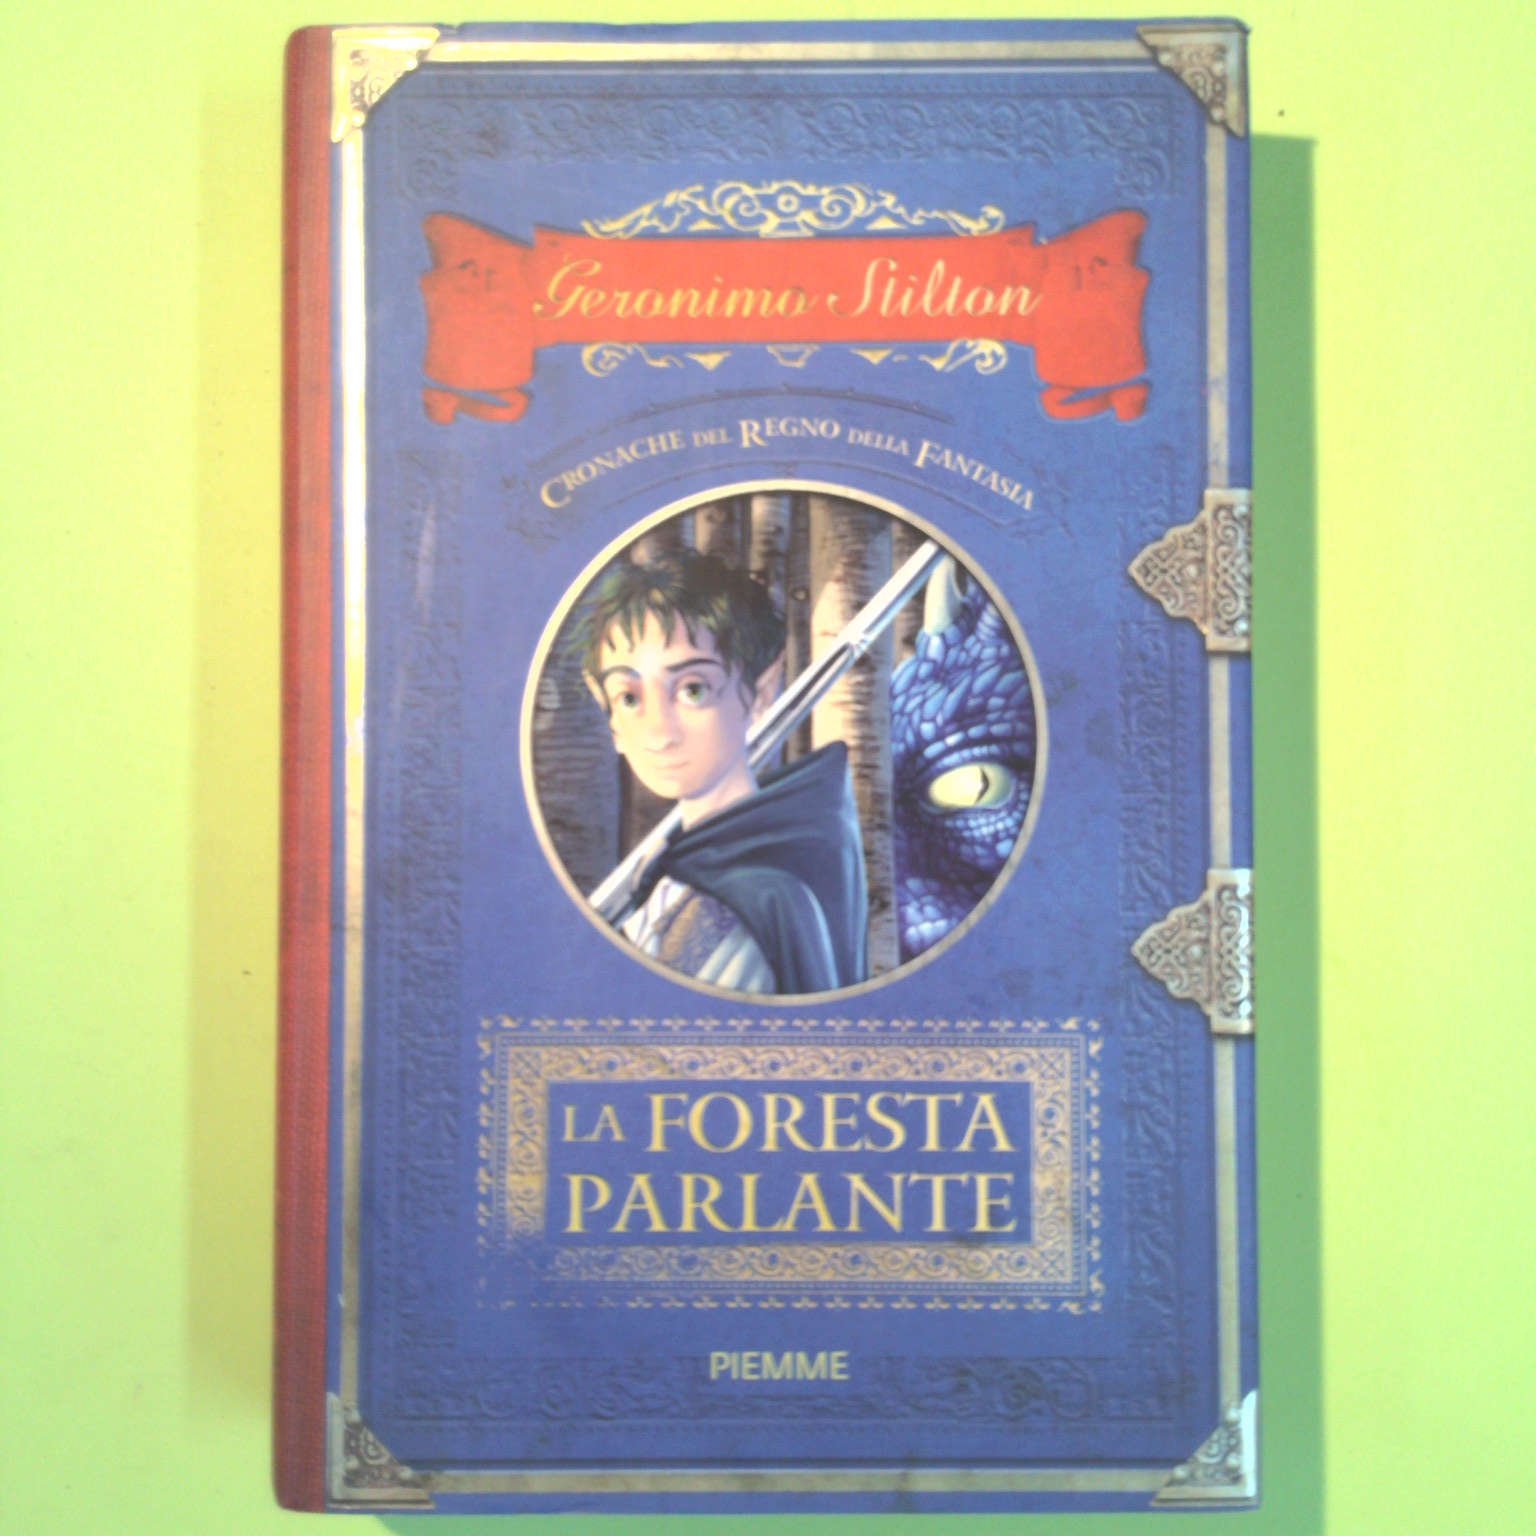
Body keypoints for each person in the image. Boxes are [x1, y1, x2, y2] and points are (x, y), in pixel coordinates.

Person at [577, 549, 867, 994]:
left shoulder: (738, 904)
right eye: (629, 698)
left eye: (692, 690)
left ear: (761, 692)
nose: (659, 733)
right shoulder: (679, 866)